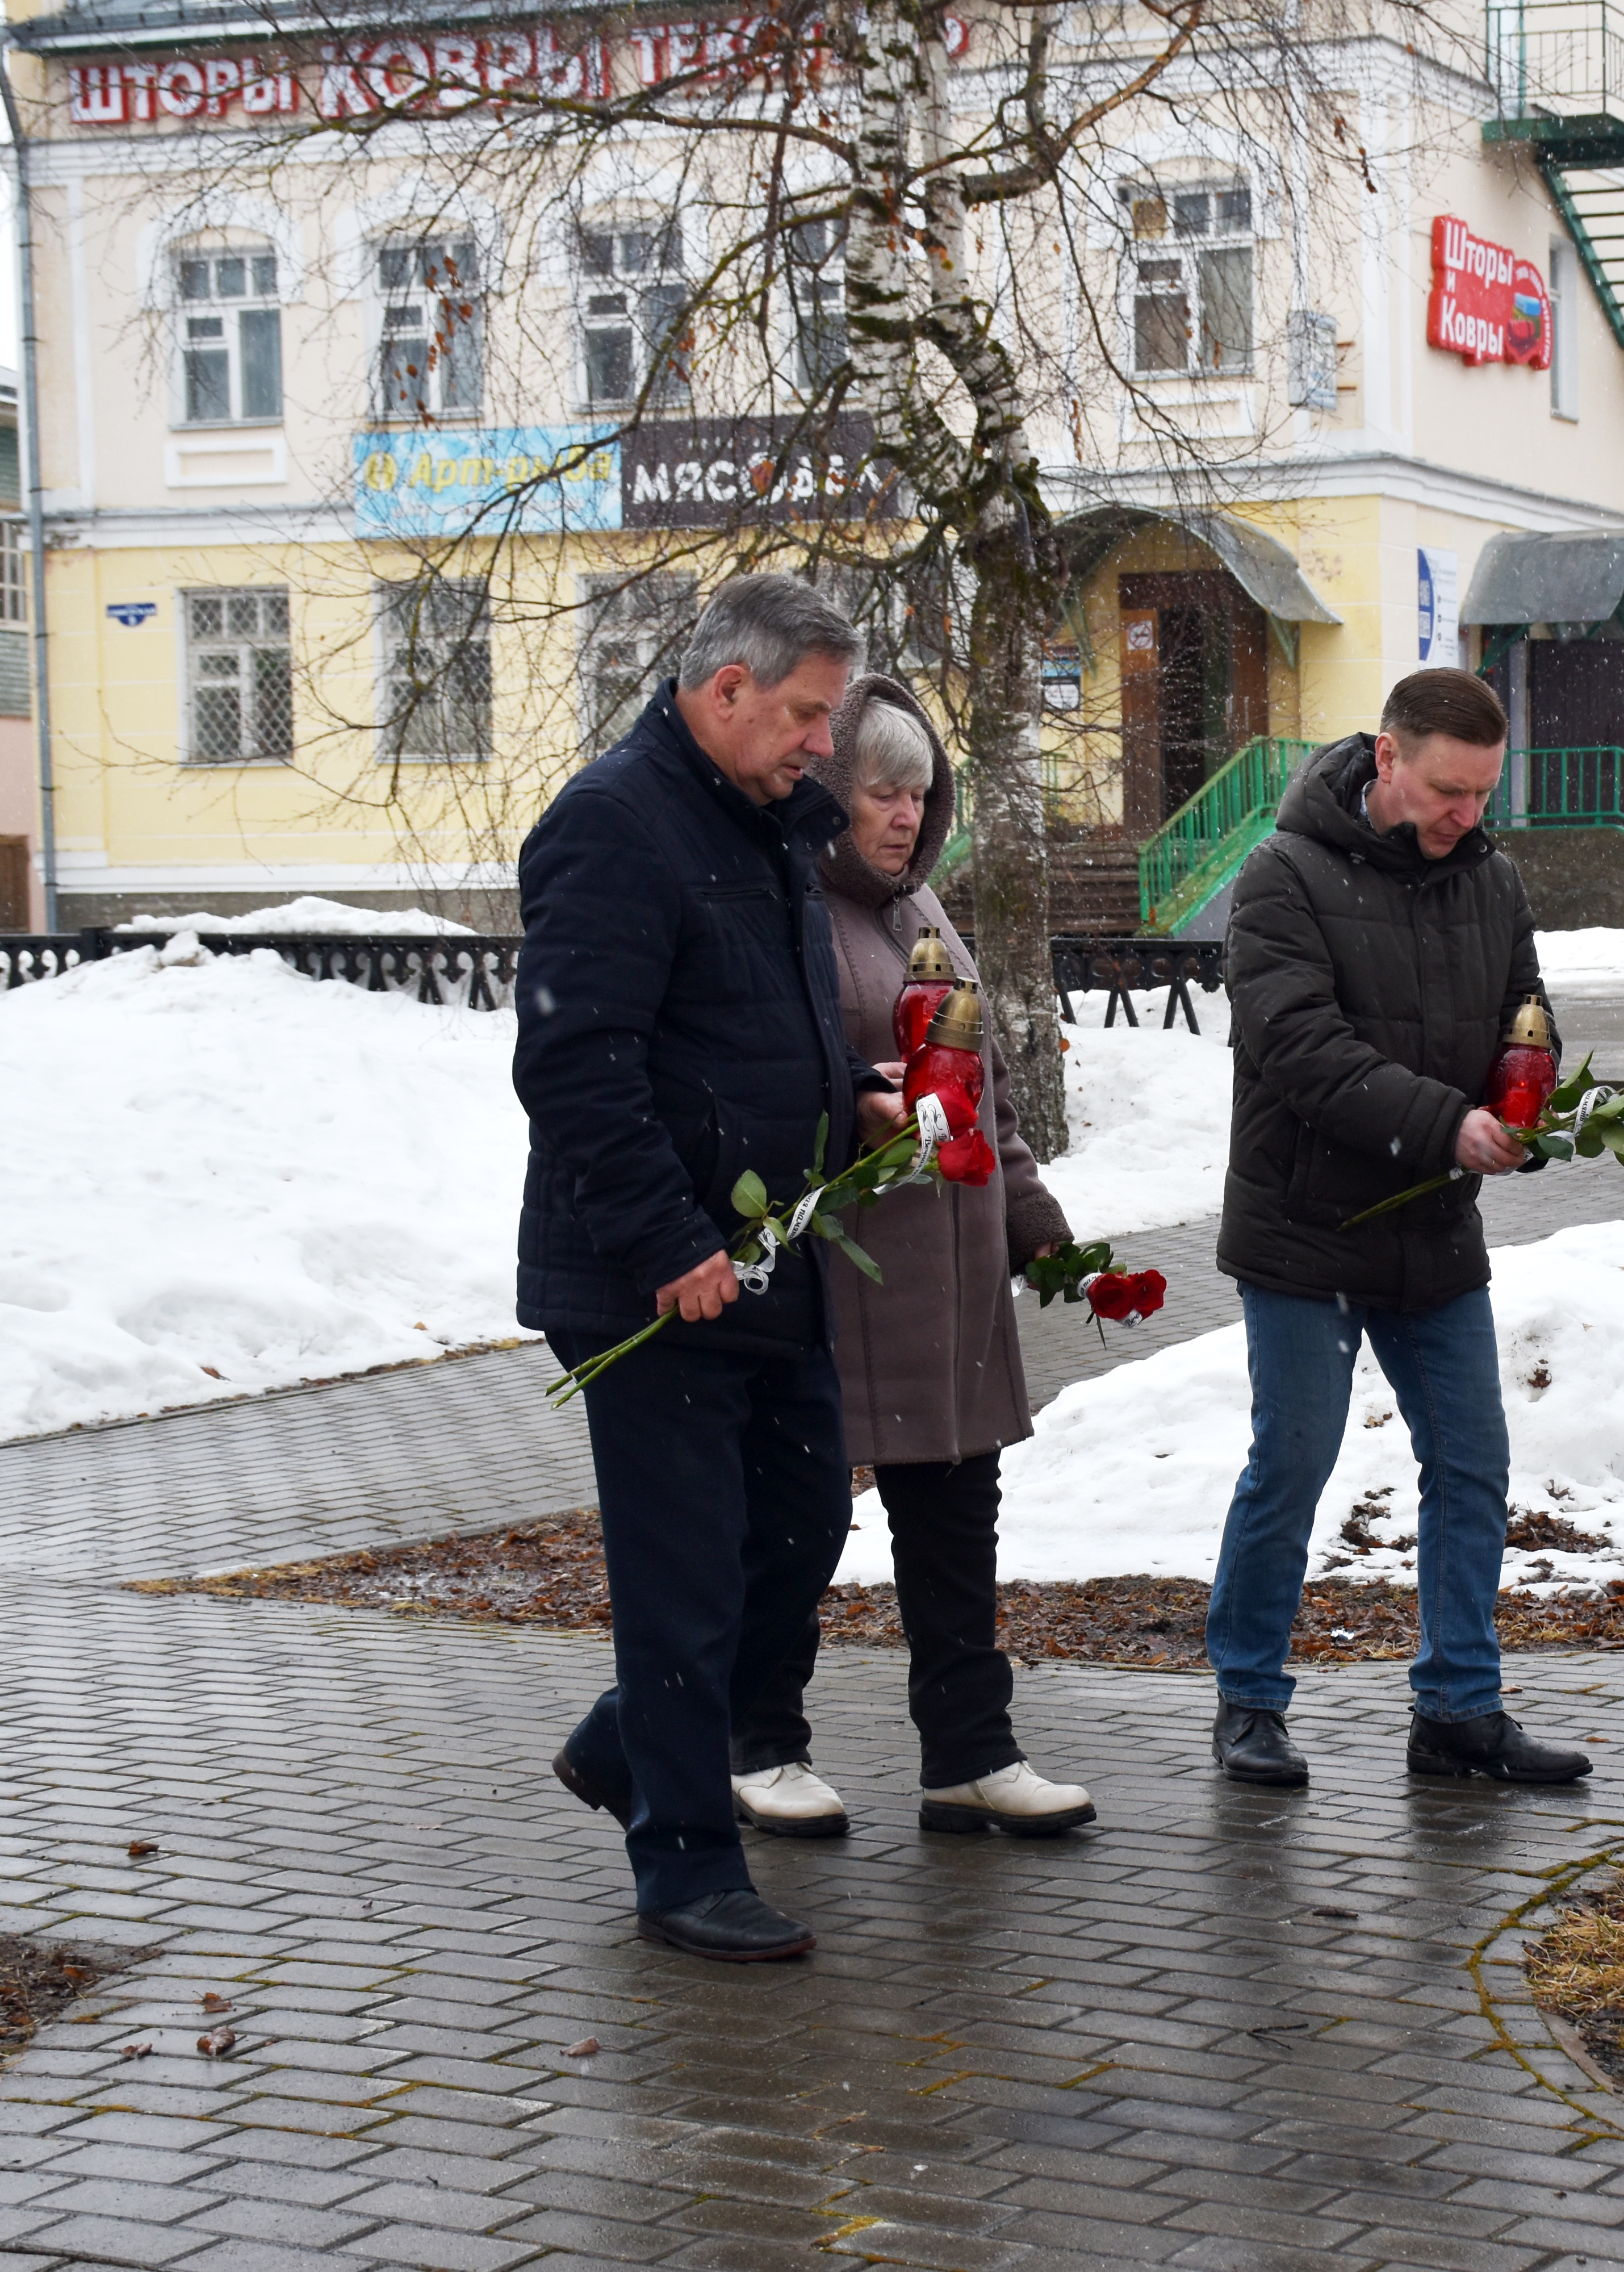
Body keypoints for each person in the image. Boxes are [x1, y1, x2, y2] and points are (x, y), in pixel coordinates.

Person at [513, 574, 905, 1963]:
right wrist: (668, 1238)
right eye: (805, 714)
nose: (823, 745)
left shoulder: (766, 828)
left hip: (771, 1260)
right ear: (722, 687)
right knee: (685, 1574)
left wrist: (852, 1084)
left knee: (797, 1532)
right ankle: (682, 1861)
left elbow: (754, 1017)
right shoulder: (617, 824)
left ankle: (632, 1743)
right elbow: (574, 1060)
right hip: (652, 1276)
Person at [1203, 667, 1589, 1791]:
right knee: (1294, 1459)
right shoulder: (1281, 874)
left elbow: (1526, 1007)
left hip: (1430, 1225)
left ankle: (1460, 1707)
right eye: (1446, 790)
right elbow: (1300, 1047)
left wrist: (1531, 1089)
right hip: (1303, 1229)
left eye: (1482, 793)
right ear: (1386, 759)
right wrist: (1448, 1124)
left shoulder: (1492, 880)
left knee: (1471, 1461)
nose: (1467, 815)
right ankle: (1249, 1699)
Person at [736, 674, 1098, 1839]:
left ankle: (969, 1753)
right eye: (882, 790)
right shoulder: (788, 902)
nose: (903, 813)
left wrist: (1042, 1231)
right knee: (802, 1523)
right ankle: (759, 1739)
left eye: (920, 793)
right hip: (847, 1278)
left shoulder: (924, 908)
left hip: (949, 1279)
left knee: (957, 1523)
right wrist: (854, 1114)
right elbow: (757, 1086)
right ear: (832, 788)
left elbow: (978, 1097)